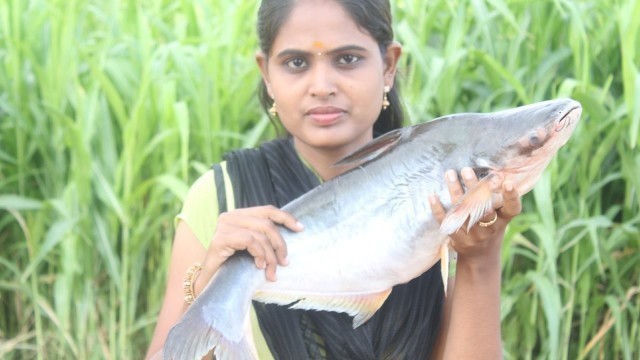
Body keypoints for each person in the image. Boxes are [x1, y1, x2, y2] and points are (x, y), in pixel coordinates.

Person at [146, 0, 522, 359]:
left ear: (389, 65)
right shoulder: (221, 197)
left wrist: (479, 259)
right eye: (296, 63)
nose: (322, 85)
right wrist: (206, 287)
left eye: (347, 59)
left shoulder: (443, 189)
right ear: (267, 75)